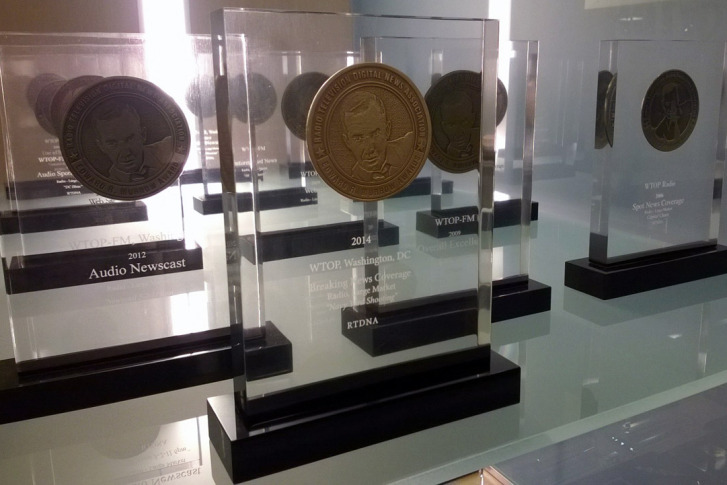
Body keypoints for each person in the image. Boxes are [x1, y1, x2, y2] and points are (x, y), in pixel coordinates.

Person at [341, 91, 414, 183]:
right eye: (358, 138)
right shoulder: (349, 180)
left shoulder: (409, 147)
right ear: (347, 142)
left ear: (387, 130)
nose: (369, 149)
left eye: (375, 134)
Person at [92, 100, 172, 183]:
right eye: (112, 143)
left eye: (129, 139)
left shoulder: (170, 148)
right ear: (101, 146)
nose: (125, 153)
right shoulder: (105, 183)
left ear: (143, 135)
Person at [439, 90, 478, 160]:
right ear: (444, 127)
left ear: (472, 119)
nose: (458, 131)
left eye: (463, 122)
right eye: (451, 125)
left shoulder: (483, 139)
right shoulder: (448, 152)